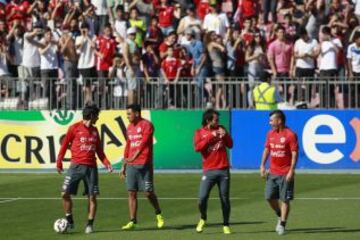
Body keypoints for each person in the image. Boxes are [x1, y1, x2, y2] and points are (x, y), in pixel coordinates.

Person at [56, 104, 113, 234]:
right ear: (91, 116)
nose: (98, 118)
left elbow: (99, 151)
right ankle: (69, 219)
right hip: (75, 166)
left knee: (92, 197)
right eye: (97, 116)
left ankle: (89, 224)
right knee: (64, 194)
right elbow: (64, 146)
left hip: (91, 169)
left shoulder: (95, 130)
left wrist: (107, 163)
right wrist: (59, 162)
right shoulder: (74, 128)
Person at [120, 104, 165, 230]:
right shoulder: (129, 127)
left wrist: (134, 157)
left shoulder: (147, 125)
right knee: (131, 193)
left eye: (129, 113)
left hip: (145, 165)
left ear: (137, 113)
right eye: (127, 113)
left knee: (148, 193)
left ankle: (158, 213)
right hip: (131, 165)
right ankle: (133, 221)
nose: (127, 116)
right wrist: (124, 165)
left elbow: (143, 144)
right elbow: (128, 146)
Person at [193, 109, 233, 234]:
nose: (218, 122)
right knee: (202, 198)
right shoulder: (199, 132)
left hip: (223, 170)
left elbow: (231, 145)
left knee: (224, 198)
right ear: (208, 120)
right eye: (216, 120)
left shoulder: (222, 128)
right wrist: (212, 135)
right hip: (209, 171)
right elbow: (197, 148)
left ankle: (226, 224)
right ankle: (203, 217)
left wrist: (225, 135)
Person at [259, 110, 299, 235]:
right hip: (272, 172)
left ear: (279, 120)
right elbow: (267, 149)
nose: (270, 122)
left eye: (271, 120)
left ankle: (282, 224)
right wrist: (262, 166)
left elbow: (294, 153)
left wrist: (291, 170)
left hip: (285, 173)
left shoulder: (290, 134)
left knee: (285, 200)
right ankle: (279, 214)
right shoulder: (270, 134)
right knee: (269, 197)